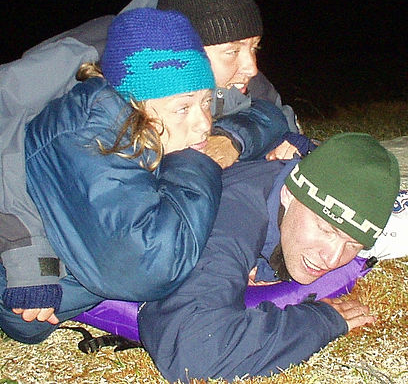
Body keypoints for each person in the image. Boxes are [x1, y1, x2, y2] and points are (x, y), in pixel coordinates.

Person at [0, 8, 290, 343]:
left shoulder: (158, 110)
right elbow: (151, 265)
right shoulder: (92, 138)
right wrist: (198, 162)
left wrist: (233, 138)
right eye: (184, 108)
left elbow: (266, 113)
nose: (204, 124)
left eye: (206, 102)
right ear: (134, 104)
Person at [138, 133, 400, 382]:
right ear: (289, 194)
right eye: (325, 229)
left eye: (352, 244)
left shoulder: (299, 188)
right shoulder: (232, 217)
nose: (332, 259)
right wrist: (320, 322)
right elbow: (195, 351)